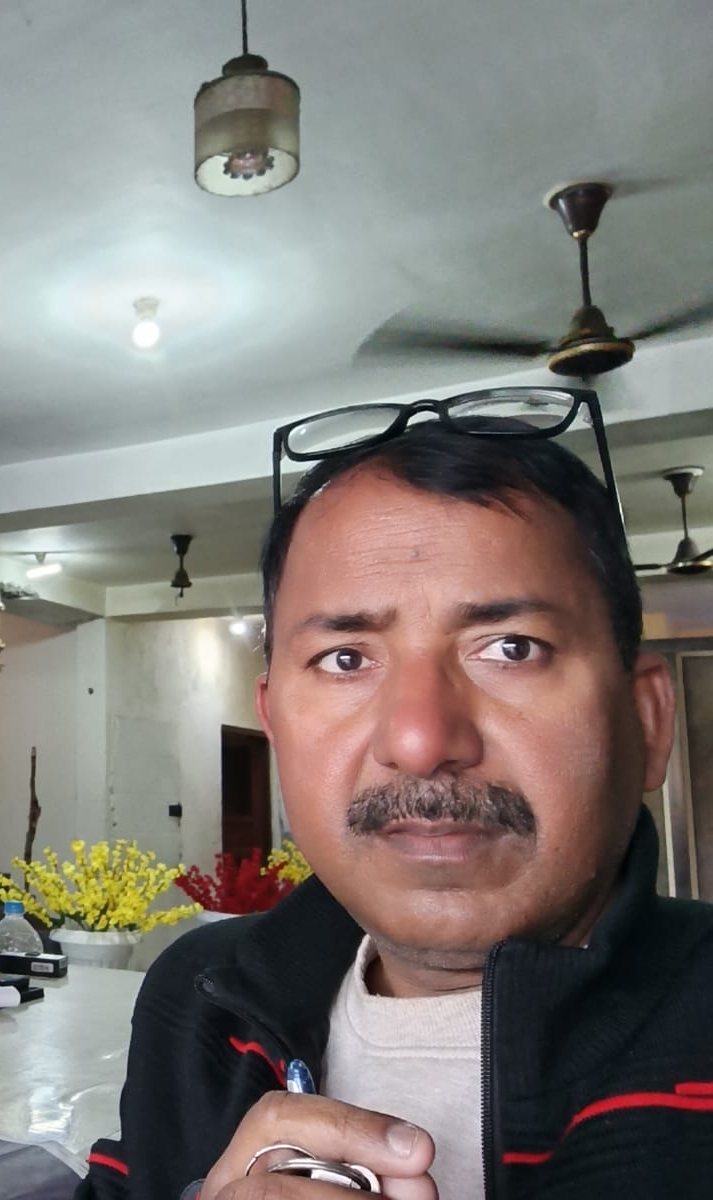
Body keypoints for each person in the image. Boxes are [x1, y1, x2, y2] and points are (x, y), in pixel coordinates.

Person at [79, 387, 713, 1199]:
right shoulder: (202, 998)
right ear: (274, 726)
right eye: (344, 659)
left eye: (510, 647)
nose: (418, 740)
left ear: (645, 721)